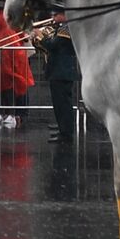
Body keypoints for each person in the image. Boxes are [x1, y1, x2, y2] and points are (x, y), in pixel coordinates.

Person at [38, 13, 78, 144]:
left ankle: (66, 133)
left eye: (56, 14)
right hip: (58, 70)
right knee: (59, 103)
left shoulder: (66, 28)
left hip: (62, 71)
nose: (53, 16)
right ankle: (63, 128)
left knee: (63, 104)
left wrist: (40, 36)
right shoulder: (61, 27)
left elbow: (53, 45)